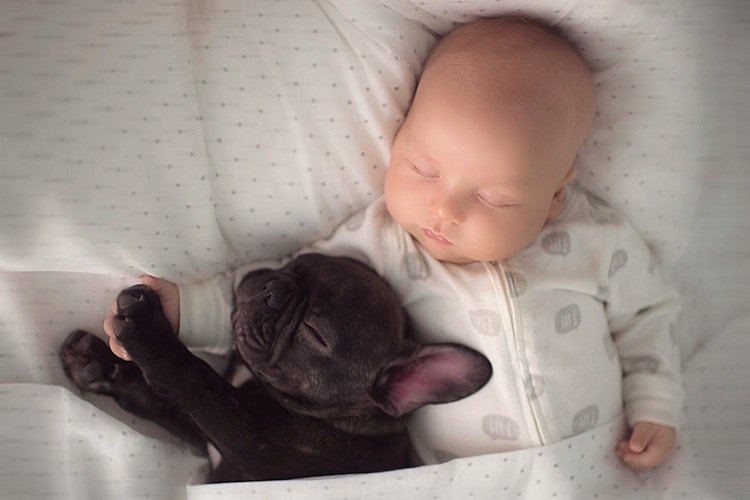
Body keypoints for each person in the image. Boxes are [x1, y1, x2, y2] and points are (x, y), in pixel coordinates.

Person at [104, 17, 683, 471]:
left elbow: (648, 318)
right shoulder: (383, 242)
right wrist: (187, 311)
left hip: (599, 463)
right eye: (422, 169)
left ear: (554, 195)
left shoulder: (595, 239)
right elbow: (276, 289)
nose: (445, 210)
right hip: (455, 481)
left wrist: (656, 406)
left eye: (495, 198)